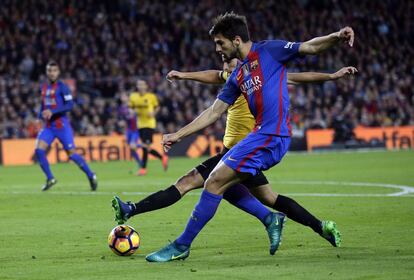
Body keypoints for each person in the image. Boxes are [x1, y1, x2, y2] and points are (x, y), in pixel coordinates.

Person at [142, 12, 355, 262]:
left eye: (220, 43)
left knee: (213, 181)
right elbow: (213, 111)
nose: (218, 49)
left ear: (236, 40)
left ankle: (181, 246)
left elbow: (310, 46)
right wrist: (179, 134)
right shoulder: (238, 75)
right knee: (239, 189)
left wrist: (337, 35)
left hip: (271, 135)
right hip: (259, 137)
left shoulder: (270, 51)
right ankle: (304, 224)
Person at [35, 61, 97, 191]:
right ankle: (50, 178)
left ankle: (91, 175)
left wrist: (53, 111)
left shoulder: (62, 87)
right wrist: (40, 117)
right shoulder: (44, 87)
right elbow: (43, 105)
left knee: (72, 154)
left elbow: (69, 105)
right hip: (48, 127)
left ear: (58, 72)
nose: (52, 73)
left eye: (54, 71)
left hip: (62, 126)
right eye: (49, 71)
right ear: (47, 72)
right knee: (39, 150)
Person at [129, 80, 168, 175]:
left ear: (146, 86)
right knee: (145, 147)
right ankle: (162, 157)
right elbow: (131, 107)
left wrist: (153, 113)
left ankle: (143, 169)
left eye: (142, 84)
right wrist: (132, 111)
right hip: (140, 124)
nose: (140, 86)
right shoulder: (133, 96)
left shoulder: (151, 97)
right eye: (138, 85)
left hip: (149, 124)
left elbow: (157, 107)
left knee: (145, 147)